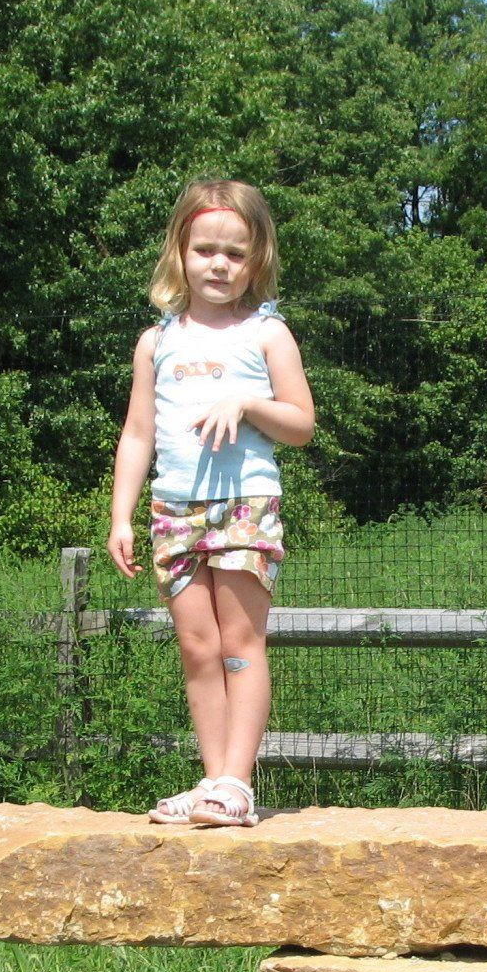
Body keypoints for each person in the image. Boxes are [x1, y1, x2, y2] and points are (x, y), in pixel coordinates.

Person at [106, 180, 315, 827]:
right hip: (175, 511)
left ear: (256, 260)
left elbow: (301, 423)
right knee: (199, 648)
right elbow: (138, 432)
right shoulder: (157, 342)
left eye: (235, 253)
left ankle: (237, 784)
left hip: (246, 505)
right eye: (205, 250)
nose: (219, 264)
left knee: (239, 643)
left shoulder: (267, 334)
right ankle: (211, 783)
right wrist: (122, 514)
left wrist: (249, 404)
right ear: (180, 251)